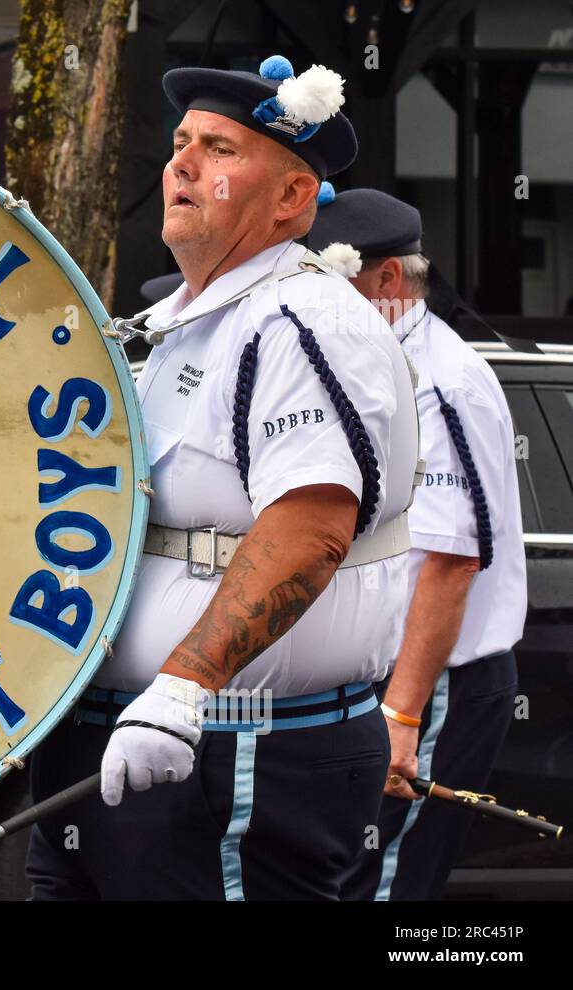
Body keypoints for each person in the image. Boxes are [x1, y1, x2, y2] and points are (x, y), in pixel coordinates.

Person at [25, 54, 420, 900]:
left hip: (232, 750)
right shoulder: (165, 325)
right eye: (180, 143)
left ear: (292, 200)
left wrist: (182, 687)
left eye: (220, 149)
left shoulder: (304, 321)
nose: (183, 163)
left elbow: (311, 532)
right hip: (106, 748)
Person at [308, 187, 526, 900]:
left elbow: (449, 560)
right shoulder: (375, 364)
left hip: (430, 682)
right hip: (387, 676)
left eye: (329, 281)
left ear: (389, 281)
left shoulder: (438, 378)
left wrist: (402, 716)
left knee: (384, 887)